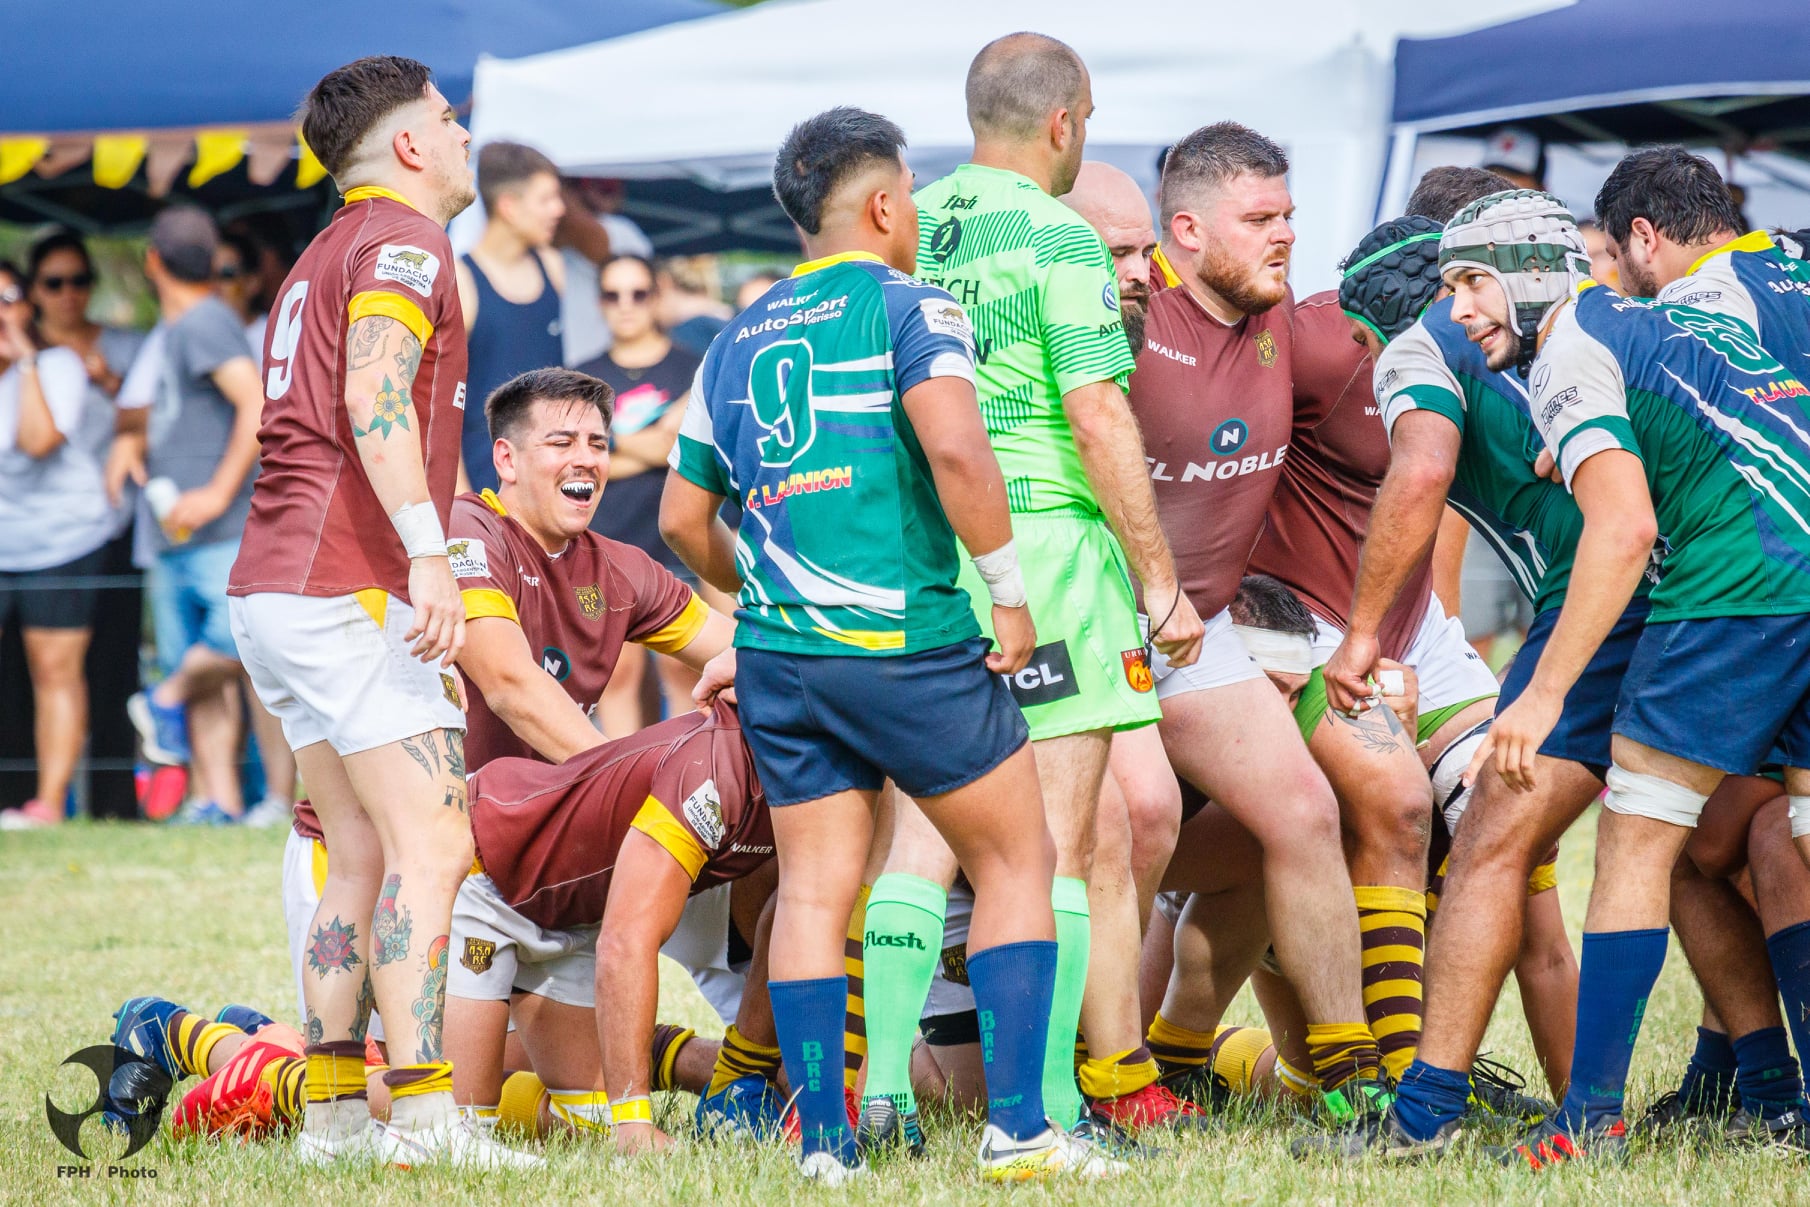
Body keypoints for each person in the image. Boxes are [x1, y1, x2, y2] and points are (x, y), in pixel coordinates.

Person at [662, 104, 1119, 1183]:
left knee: (816, 889)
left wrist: (760, 589)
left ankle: (824, 1142)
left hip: (782, 657)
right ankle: (1019, 1130)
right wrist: (1008, 595)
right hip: (907, 642)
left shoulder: (732, 337)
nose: (913, 212)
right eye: (908, 194)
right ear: (880, 204)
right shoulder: (914, 305)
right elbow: (959, 450)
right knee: (1016, 857)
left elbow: (683, 520)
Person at [887, 33, 1201, 1143]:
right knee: (1057, 844)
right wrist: (1159, 584)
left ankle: (880, 1090)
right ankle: (1047, 1106)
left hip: (930, 552)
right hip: (1048, 547)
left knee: (924, 834)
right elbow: (1096, 411)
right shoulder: (1057, 233)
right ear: (1066, 121)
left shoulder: (912, 224)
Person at [225, 55, 536, 1170]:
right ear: (409, 144)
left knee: (350, 850)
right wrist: (430, 557)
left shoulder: (323, 247)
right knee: (433, 838)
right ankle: (428, 1117)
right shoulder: (406, 239)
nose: (464, 138)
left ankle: (333, 1117)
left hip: (272, 584)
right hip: (342, 579)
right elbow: (372, 394)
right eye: (451, 121)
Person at [1466, 189, 1810, 1168]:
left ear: (1535, 274)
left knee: (1634, 843)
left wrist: (1539, 696)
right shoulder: (1695, 309)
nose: (1457, 308)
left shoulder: (1575, 337)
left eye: (1469, 281)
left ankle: (1588, 1123)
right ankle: (1781, 1096)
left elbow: (1623, 531)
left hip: (1732, 594)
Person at [1125, 120, 1389, 1136]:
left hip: (1209, 633)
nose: (1283, 236)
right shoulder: (1125, 318)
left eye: (1288, 216)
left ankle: (1350, 1073)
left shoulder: (1290, 321)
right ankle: (1103, 1074)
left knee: (1301, 815)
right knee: (1128, 836)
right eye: (1258, 220)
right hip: (1106, 625)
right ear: (1185, 230)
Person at [444, 701, 776, 1149]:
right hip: (488, 868)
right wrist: (635, 1122)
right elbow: (627, 939)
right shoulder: (718, 762)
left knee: (589, 1122)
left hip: (580, 918)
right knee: (455, 1122)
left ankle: (663, 1058)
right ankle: (327, 1082)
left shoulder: (822, 774)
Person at [448, 366, 731, 768]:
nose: (585, 459)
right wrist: (620, 777)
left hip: (552, 805)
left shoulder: (622, 568)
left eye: (598, 444)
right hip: (449, 811)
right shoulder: (466, 529)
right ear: (507, 460)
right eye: (562, 443)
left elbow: (744, 654)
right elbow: (509, 686)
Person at [106, 208, 263, 826]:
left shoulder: (203, 321)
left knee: (238, 645)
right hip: (176, 530)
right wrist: (133, 444)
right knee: (203, 673)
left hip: (216, 527)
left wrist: (220, 493)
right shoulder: (181, 327)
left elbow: (254, 405)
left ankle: (161, 701)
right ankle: (216, 801)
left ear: (152, 261)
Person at [575, 256, 709, 735]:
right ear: (600, 304)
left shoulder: (695, 365)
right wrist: (660, 437)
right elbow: (581, 463)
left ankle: (699, 787)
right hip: (609, 541)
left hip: (680, 540)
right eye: (614, 295)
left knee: (688, 673)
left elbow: (690, 450)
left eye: (638, 293)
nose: (626, 306)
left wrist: (609, 443)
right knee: (616, 676)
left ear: (657, 295)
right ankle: (621, 797)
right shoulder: (579, 379)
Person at [0, 262, 109, 828]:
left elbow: (38, 440)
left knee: (53, 669)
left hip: (63, 538)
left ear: (27, 308)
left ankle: (48, 804)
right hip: (6, 539)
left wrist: (24, 361)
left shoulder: (56, 365)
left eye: (8, 298)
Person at [455, 141, 566, 495]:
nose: (559, 210)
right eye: (546, 199)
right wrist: (462, 502)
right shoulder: (462, 281)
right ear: (509, 207)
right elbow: (440, 405)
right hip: (485, 482)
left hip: (549, 480)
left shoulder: (552, 265)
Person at [28, 230, 146, 541]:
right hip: (40, 519)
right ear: (34, 291)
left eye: (78, 280)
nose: (68, 293)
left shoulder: (129, 344)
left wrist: (113, 383)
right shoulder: (18, 355)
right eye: (54, 284)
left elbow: (164, 414)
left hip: (120, 510)